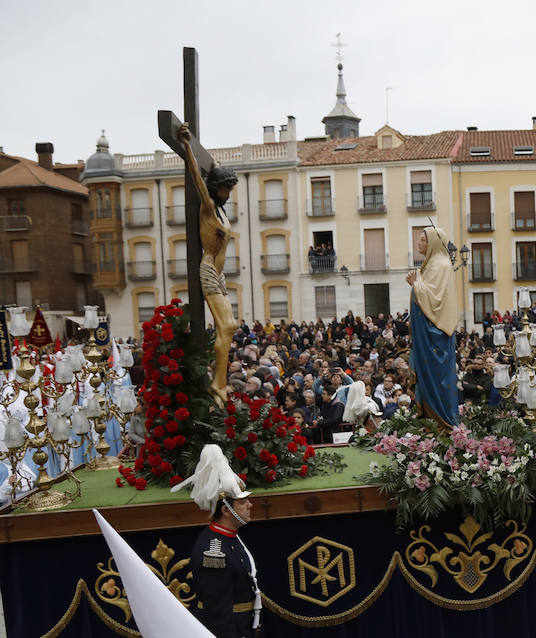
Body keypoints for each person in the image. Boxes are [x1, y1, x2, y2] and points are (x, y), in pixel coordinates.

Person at [177, 124, 238, 407]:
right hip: (209, 269)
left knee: (229, 327)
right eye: (226, 187)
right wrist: (188, 146)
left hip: (220, 274)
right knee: (227, 325)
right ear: (216, 188)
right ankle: (218, 384)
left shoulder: (222, 213)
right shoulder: (208, 208)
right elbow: (196, 180)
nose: (229, 192)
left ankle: (219, 382)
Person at [172, 444, 261, 636]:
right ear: (226, 510)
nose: (250, 505)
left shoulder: (229, 537)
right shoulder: (213, 551)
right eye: (243, 502)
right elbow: (218, 612)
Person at [406, 227, 458, 429]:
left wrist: (415, 284)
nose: (418, 243)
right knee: (428, 381)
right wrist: (416, 282)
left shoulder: (441, 266)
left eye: (422, 240)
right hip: (425, 337)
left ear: (433, 243)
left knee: (437, 381)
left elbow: (435, 301)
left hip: (435, 337)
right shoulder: (430, 265)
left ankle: (444, 425)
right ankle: (430, 424)